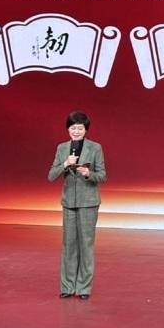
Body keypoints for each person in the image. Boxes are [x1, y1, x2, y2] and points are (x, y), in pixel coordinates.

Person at [48, 111, 106, 300]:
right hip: (69, 203)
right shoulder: (62, 148)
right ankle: (67, 286)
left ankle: (83, 288)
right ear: (68, 129)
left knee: (86, 245)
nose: (76, 131)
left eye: (80, 128)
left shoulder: (95, 148)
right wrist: (65, 164)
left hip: (88, 203)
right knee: (68, 245)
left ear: (86, 130)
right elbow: (51, 176)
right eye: (73, 128)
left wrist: (88, 173)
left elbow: (102, 175)